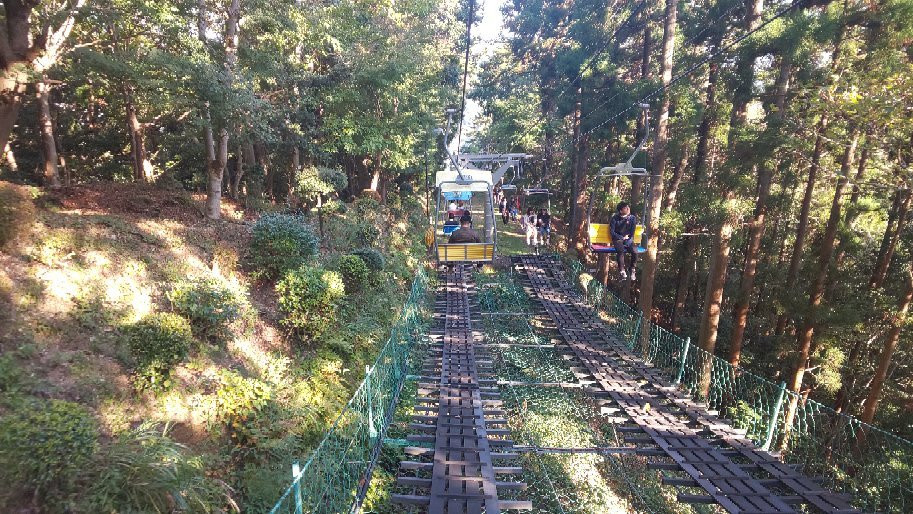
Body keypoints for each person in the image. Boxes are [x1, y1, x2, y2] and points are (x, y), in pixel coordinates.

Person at [610, 202, 637, 280]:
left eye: (628, 207)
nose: (628, 208)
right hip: (618, 239)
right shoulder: (614, 218)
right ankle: (622, 270)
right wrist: (621, 238)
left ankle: (632, 269)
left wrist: (628, 240)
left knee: (634, 251)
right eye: (625, 208)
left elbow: (632, 231)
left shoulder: (632, 218)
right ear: (621, 211)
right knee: (620, 250)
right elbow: (612, 232)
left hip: (628, 239)